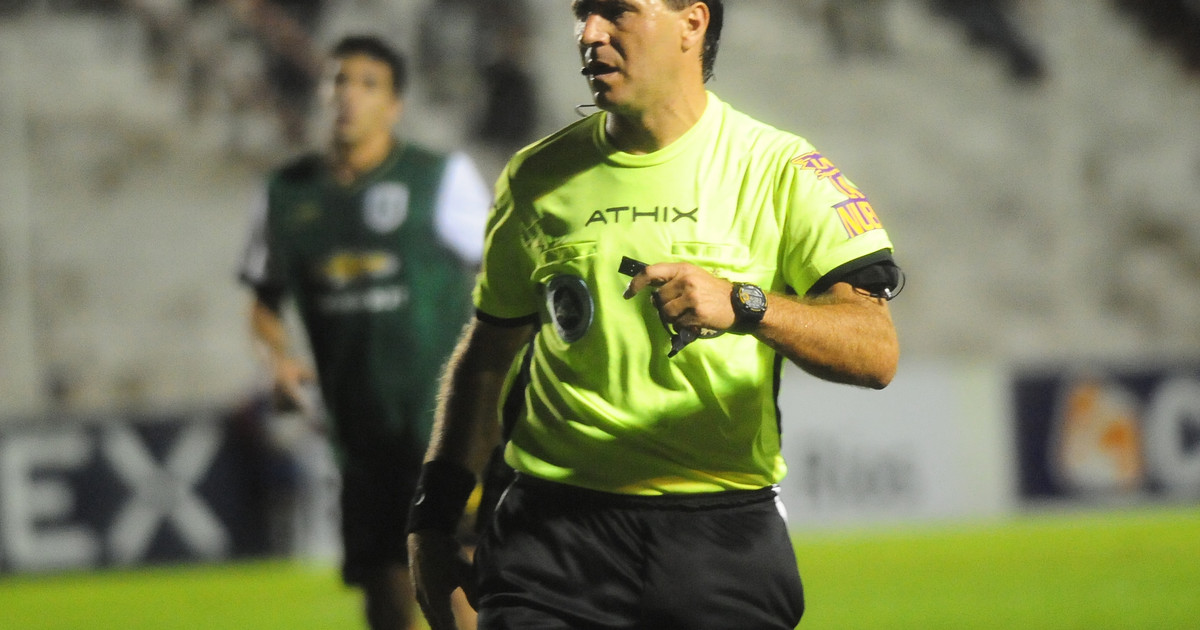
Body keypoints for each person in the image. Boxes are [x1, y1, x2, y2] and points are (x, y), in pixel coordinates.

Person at [406, 1, 903, 629]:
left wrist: (746, 304)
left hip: (720, 536)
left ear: (692, 23)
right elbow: (487, 354)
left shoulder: (782, 170)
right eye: (583, 12)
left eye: (617, 11)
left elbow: (875, 349)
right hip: (552, 541)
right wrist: (432, 518)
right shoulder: (535, 176)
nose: (590, 33)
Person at [238, 35, 489, 630]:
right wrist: (277, 361)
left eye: (367, 84)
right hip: (359, 438)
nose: (349, 95)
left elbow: (504, 275)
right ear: (322, 94)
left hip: (448, 431)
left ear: (394, 105)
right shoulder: (286, 194)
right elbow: (263, 300)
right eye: (338, 81)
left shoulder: (440, 178)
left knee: (463, 588)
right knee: (386, 598)